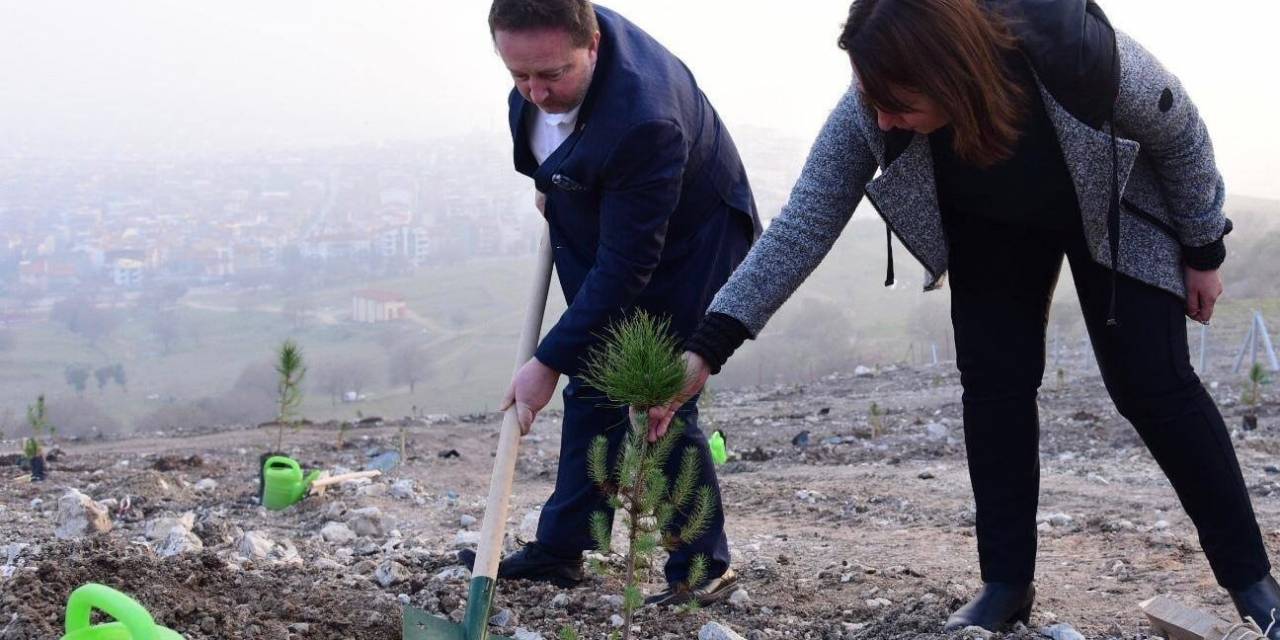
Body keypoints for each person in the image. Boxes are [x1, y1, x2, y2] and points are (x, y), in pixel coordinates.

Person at [652, 0, 1280, 632]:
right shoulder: (877, 101)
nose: (881, 119)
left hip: (1113, 211)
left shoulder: (1080, 57)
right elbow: (804, 224)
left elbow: (1182, 135)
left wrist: (1204, 250)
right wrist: (708, 348)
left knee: (1154, 385)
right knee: (993, 388)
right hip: (993, 228)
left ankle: (1253, 581)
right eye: (873, 100)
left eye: (897, 106)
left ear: (954, 75)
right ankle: (1006, 584)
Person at [458, 0, 762, 607]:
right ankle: (561, 549)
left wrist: (545, 359)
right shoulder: (546, 50)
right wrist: (554, 186)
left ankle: (703, 568)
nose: (536, 92)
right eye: (518, 76)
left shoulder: (645, 118)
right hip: (606, 218)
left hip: (688, 242)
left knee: (654, 394)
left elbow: (628, 266)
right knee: (591, 387)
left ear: (592, 43)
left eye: (552, 75)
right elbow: (550, 144)